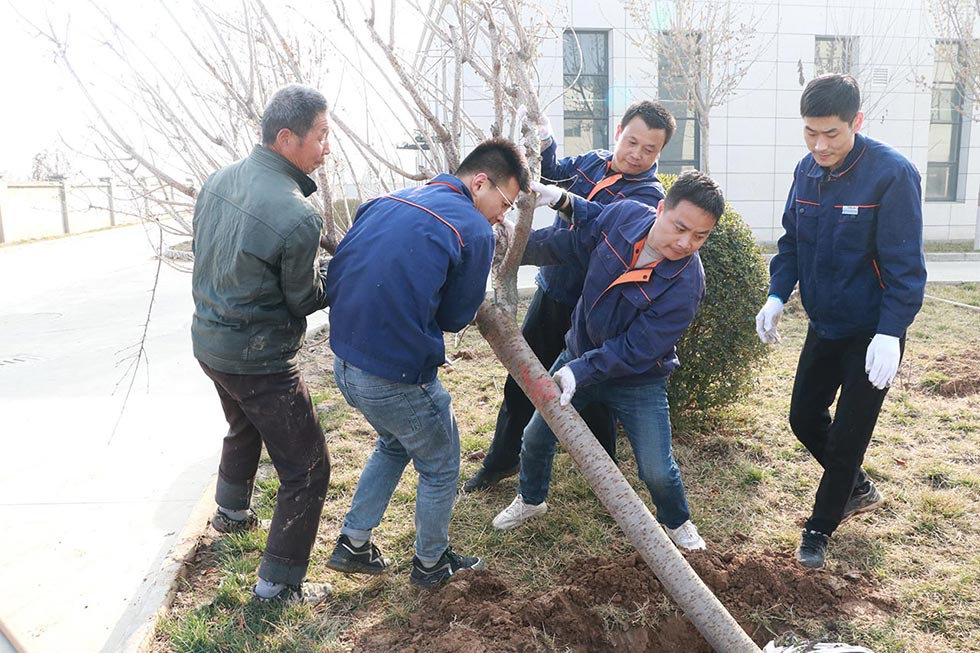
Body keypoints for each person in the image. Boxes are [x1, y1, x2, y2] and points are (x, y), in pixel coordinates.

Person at [324, 138, 531, 588]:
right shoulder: (473, 230)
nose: (503, 215)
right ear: (481, 183)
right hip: (395, 376)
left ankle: (354, 542)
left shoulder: (385, 200)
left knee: (395, 442)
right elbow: (457, 317)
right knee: (440, 463)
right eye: (505, 203)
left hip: (345, 363)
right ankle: (432, 564)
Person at [491, 170, 725, 552]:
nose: (686, 243)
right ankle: (531, 499)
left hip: (638, 380)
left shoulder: (686, 283)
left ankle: (677, 522)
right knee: (535, 435)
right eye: (680, 228)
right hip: (578, 355)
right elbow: (594, 217)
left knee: (656, 468)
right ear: (660, 209)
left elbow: (638, 348)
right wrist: (561, 200)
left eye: (700, 237)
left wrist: (579, 370)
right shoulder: (629, 216)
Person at [756, 73, 926, 568]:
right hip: (824, 322)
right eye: (810, 131)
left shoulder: (892, 174)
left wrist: (891, 333)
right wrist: (775, 294)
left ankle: (819, 527)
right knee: (803, 417)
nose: (819, 144)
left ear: (857, 121)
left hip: (872, 333)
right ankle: (855, 486)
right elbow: (792, 243)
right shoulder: (805, 172)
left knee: (850, 434)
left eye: (831, 133)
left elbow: (906, 267)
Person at [463, 101, 674, 493]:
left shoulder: (647, 197)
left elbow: (579, 242)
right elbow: (556, 175)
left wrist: (518, 246)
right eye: (632, 142)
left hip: (595, 308)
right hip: (553, 294)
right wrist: (545, 140)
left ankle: (604, 475)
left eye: (649, 150)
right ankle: (502, 461)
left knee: (592, 395)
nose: (636, 154)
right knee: (522, 378)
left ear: (659, 154)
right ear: (618, 133)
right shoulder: (594, 162)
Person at [191, 84, 333, 603]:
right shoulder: (299, 214)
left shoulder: (217, 180)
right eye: (321, 136)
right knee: (309, 467)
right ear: (285, 137)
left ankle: (230, 513)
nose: (326, 147)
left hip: (209, 343)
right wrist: (334, 276)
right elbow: (302, 301)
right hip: (259, 361)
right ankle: (278, 586)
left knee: (242, 422)